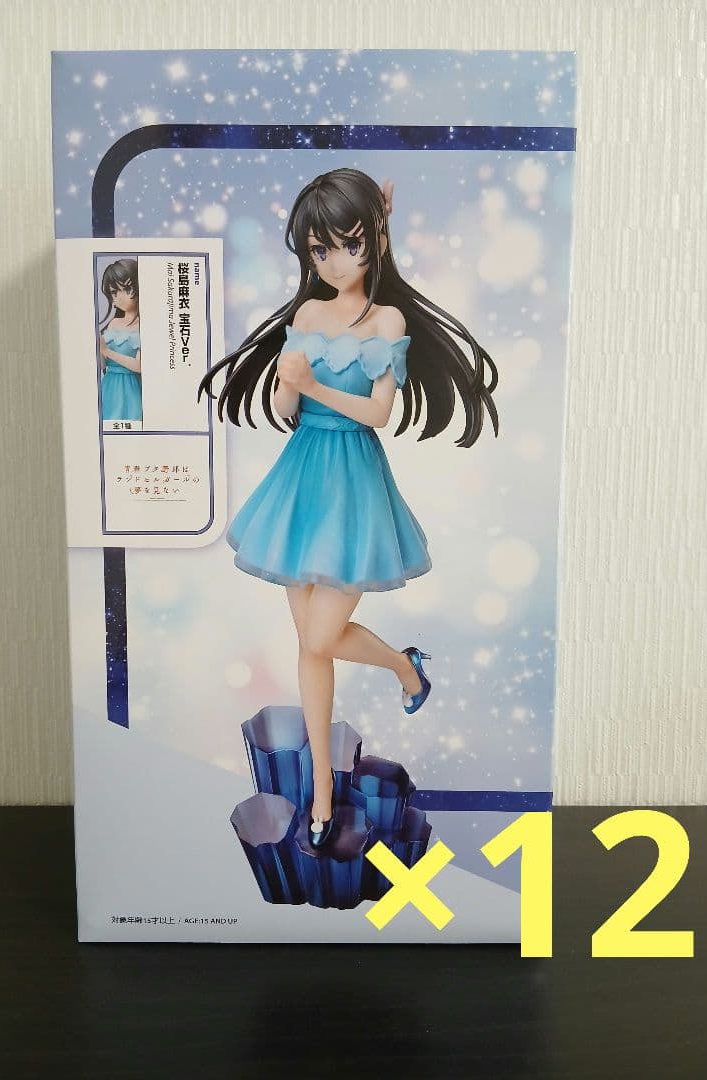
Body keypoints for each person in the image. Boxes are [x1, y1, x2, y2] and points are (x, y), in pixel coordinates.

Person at [197, 168, 498, 849]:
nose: (334, 263)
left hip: (354, 480)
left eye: (350, 245)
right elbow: (286, 406)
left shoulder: (387, 321)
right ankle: (323, 795)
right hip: (301, 477)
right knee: (310, 645)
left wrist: (314, 387)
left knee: (321, 638)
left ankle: (403, 668)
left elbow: (379, 413)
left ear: (377, 241)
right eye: (319, 250)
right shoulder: (307, 316)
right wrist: (287, 384)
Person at [98, 257, 142, 422]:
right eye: (113, 293)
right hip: (108, 386)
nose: (118, 298)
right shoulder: (113, 323)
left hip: (131, 389)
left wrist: (106, 351)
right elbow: (103, 365)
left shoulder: (144, 325)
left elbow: (139, 366)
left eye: (127, 289)